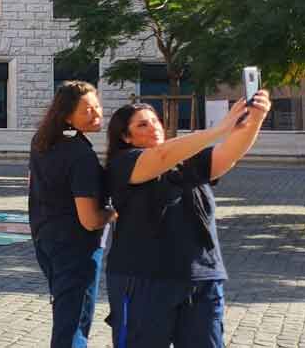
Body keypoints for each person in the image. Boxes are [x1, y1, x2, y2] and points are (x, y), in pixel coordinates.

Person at [104, 91, 270, 348]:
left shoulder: (185, 160)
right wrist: (219, 130)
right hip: (144, 280)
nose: (154, 127)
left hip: (202, 278)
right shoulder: (123, 164)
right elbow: (158, 158)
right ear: (126, 137)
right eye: (142, 124)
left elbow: (229, 154)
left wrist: (256, 118)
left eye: (155, 121)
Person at [28, 81, 117, 348]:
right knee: (74, 325)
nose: (97, 113)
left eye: (98, 106)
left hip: (46, 240)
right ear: (67, 115)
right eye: (87, 110)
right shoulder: (81, 156)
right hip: (77, 250)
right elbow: (89, 219)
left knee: (66, 317)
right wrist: (113, 213)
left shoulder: (43, 141)